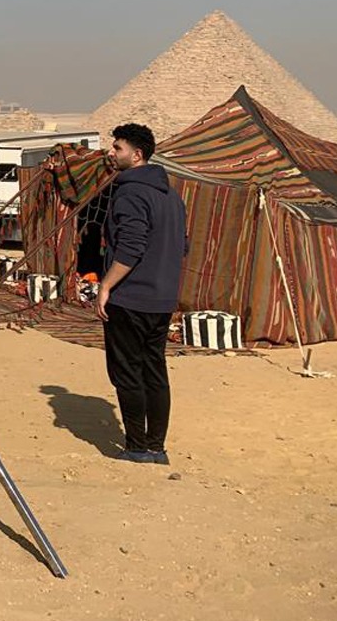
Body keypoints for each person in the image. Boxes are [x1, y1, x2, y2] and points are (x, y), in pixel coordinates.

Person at [96, 123, 188, 466]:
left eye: (117, 148)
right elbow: (183, 246)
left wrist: (106, 286)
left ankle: (136, 447)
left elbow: (131, 247)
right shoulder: (172, 196)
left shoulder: (131, 193)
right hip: (161, 300)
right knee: (154, 372)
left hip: (130, 298)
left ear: (136, 155)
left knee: (127, 373)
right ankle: (156, 447)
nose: (111, 152)